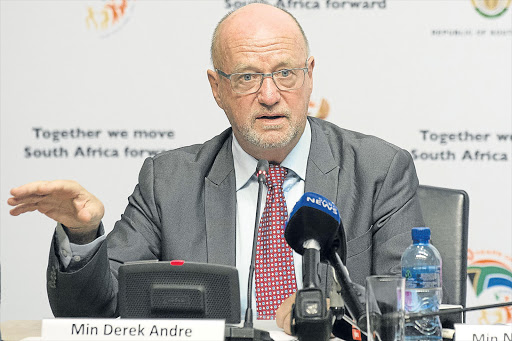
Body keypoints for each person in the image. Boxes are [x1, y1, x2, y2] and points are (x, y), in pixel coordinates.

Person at [8, 2, 424, 334]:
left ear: (309, 76)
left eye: (285, 73)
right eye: (246, 77)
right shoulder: (168, 182)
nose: (269, 95)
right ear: (216, 87)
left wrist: (326, 307)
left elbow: (411, 306)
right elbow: (96, 311)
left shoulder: (379, 170)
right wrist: (82, 236)